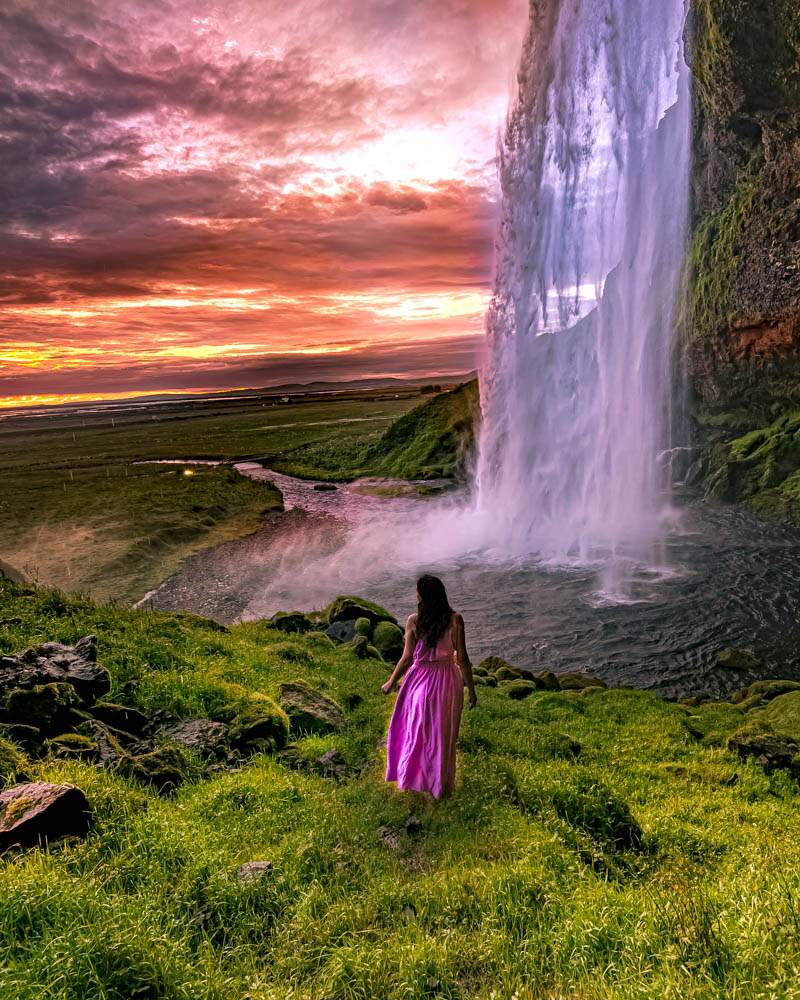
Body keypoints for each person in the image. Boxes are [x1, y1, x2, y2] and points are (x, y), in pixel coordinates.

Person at [382, 574, 477, 799]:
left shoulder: (414, 621)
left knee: (415, 732)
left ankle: (412, 777)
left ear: (422, 596)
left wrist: (391, 682)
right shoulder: (455, 620)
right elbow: (462, 658)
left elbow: (406, 658)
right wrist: (471, 689)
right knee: (443, 735)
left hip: (418, 681)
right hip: (447, 680)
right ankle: (440, 785)